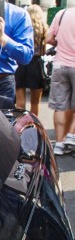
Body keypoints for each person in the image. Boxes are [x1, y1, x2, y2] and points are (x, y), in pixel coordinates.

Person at [46, 7, 75, 155]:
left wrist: (62, 45)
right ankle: (71, 135)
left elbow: (49, 38)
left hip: (60, 65)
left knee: (60, 106)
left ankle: (58, 143)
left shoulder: (61, 14)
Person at [15, 5, 48, 116]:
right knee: (35, 102)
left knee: (20, 103)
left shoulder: (23, 27)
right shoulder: (43, 28)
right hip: (36, 63)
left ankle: (20, 128)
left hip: (21, 62)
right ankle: (33, 128)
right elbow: (44, 51)